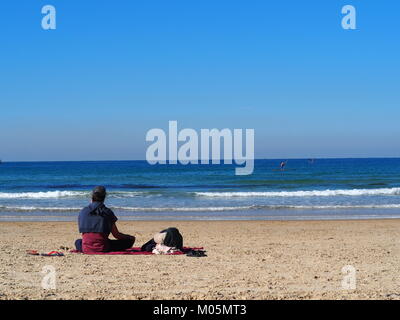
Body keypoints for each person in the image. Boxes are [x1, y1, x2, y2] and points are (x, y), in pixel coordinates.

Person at [75, 186, 135, 253]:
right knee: (129, 242)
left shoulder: (83, 212)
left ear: (91, 197)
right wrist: (129, 237)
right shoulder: (108, 212)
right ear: (104, 198)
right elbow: (116, 235)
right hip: (103, 247)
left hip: (86, 248)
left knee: (77, 241)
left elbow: (86, 234)